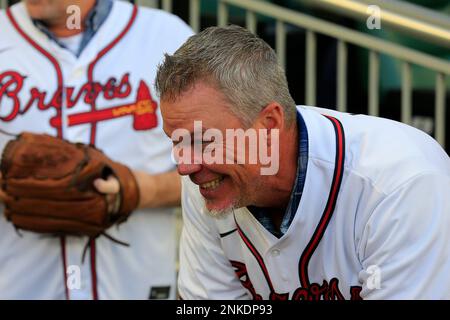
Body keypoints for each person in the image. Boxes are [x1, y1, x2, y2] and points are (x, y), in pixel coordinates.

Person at [155, 25, 450, 300]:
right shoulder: (210, 182)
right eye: (177, 141)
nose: (184, 166)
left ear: (269, 123)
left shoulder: (401, 182)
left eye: (203, 141)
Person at [0, 0, 193, 299]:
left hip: (136, 286)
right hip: (20, 287)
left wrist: (143, 190)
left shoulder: (165, 37)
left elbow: (225, 168)